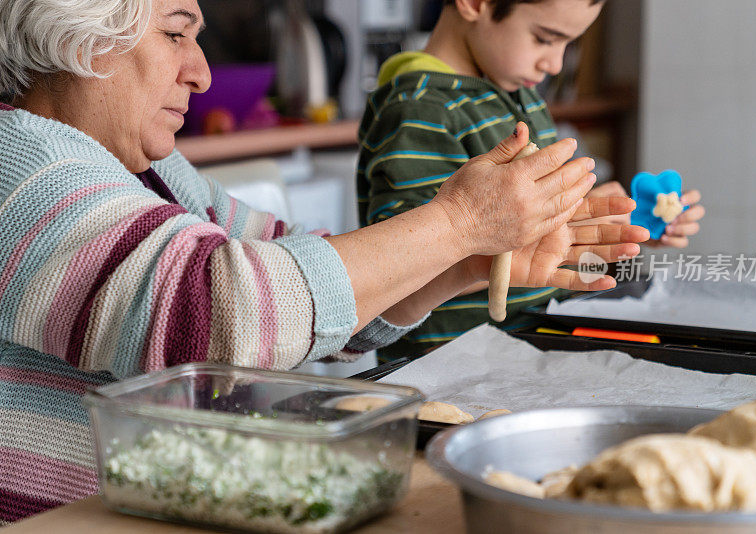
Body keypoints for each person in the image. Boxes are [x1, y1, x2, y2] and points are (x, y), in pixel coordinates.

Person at [0, 0, 647, 523]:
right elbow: (213, 318)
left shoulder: (153, 167)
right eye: (177, 34)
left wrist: (467, 261)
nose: (200, 72)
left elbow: (301, 286)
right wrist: (454, 224)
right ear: (80, 34)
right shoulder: (19, 164)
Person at [357, 0, 706, 360]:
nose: (554, 64)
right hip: (457, 365)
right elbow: (398, 275)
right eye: (544, 38)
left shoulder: (517, 93)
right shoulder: (420, 110)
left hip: (533, 348)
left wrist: (624, 222)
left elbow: (546, 231)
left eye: (569, 44)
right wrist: (553, 227)